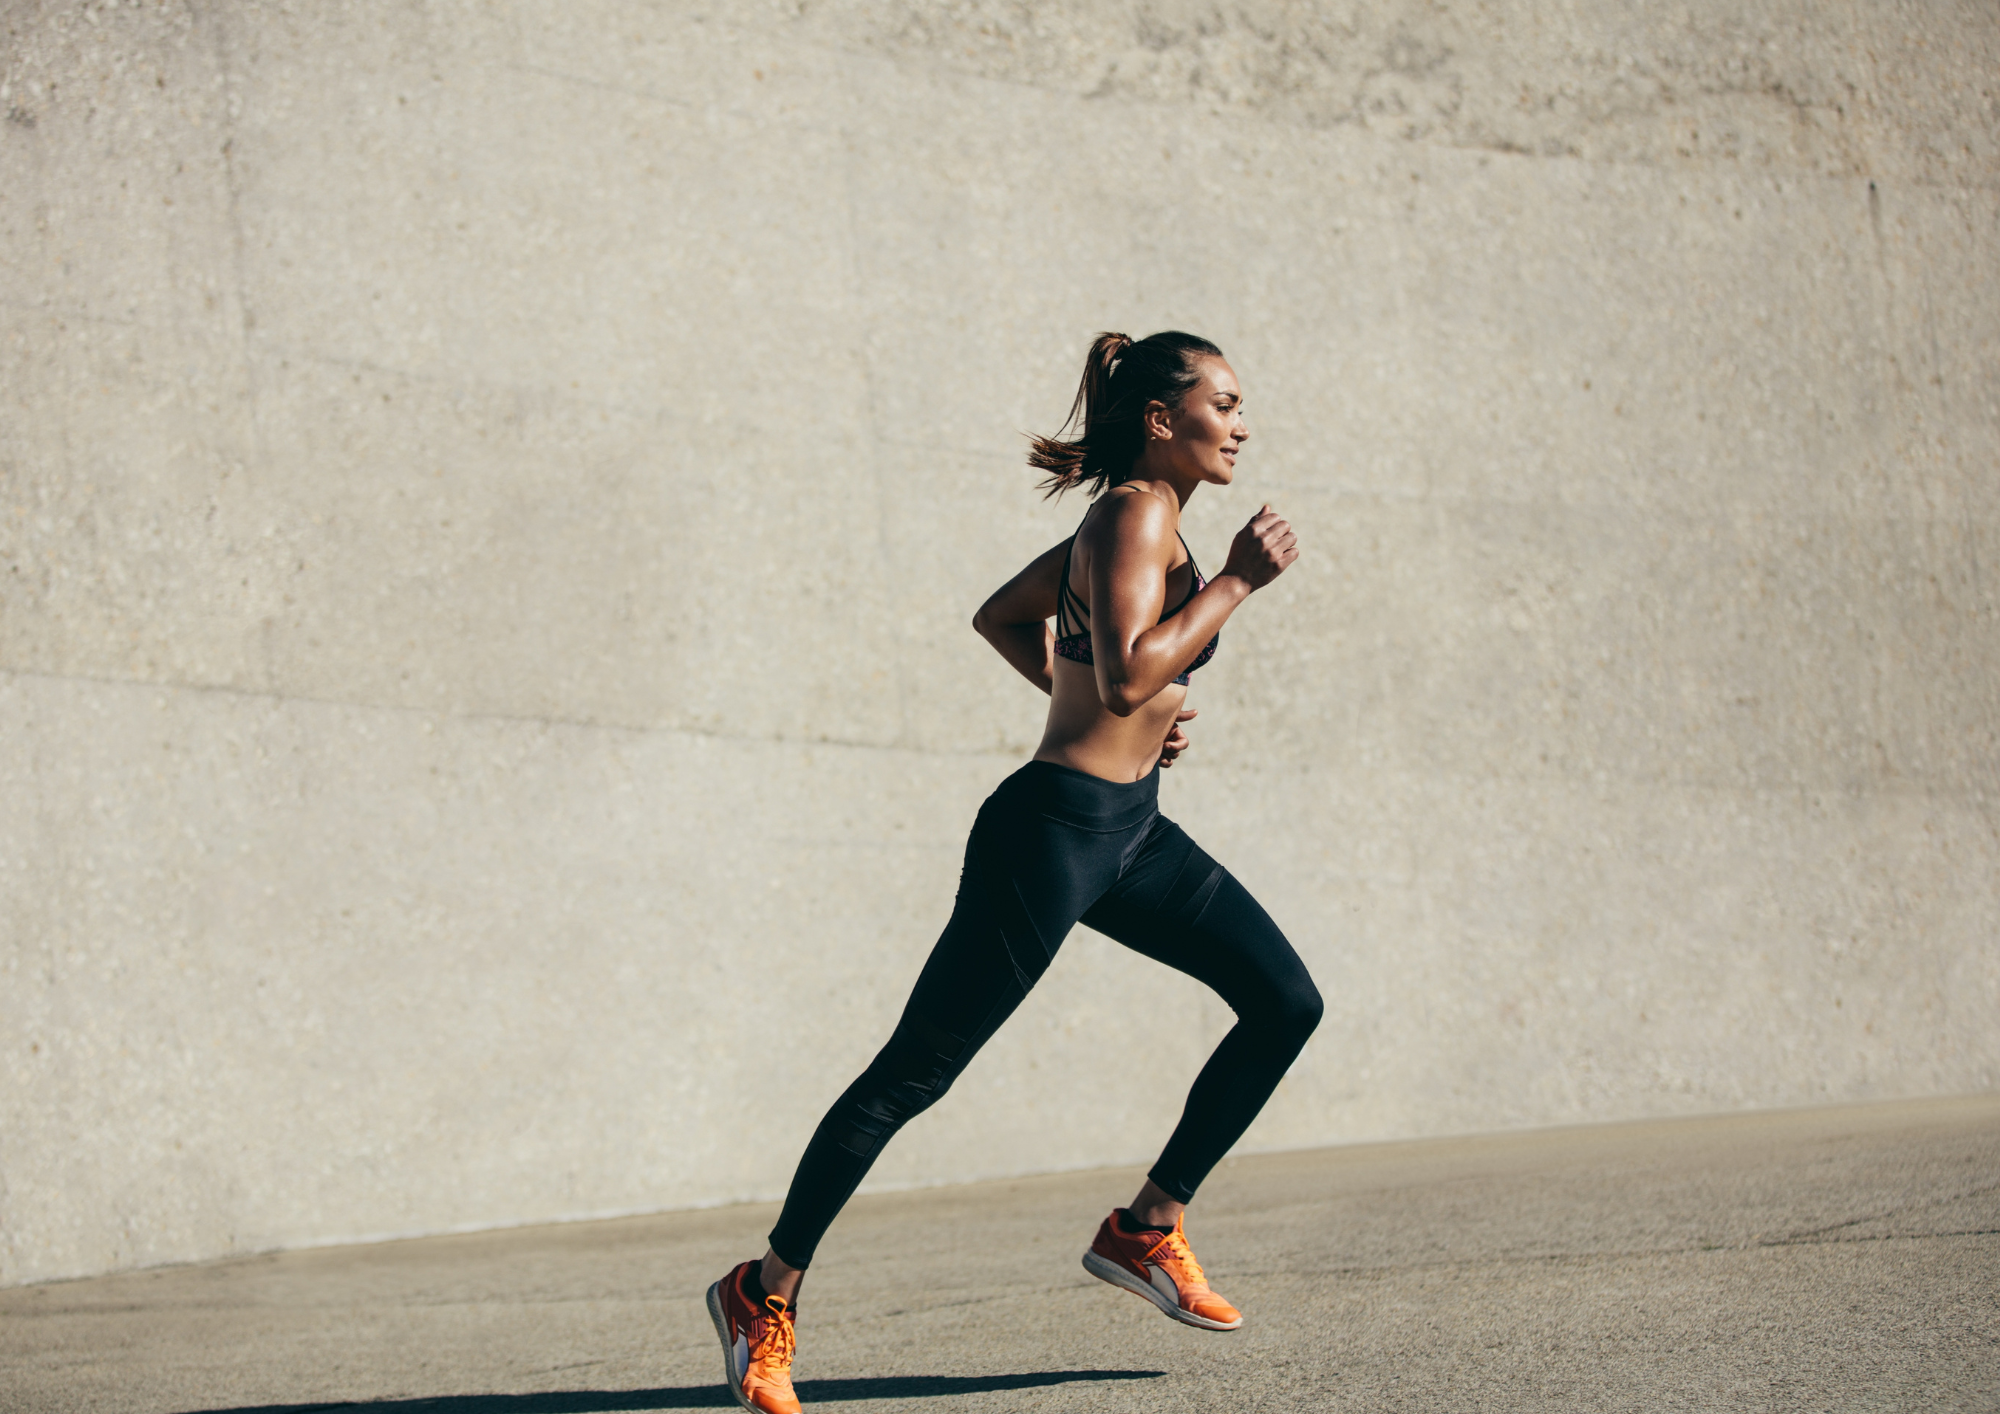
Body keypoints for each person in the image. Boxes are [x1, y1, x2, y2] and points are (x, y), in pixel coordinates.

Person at [706, 331, 1322, 1414]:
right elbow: (1131, 671)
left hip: (1130, 829)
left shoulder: (1147, 523)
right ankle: (763, 1290)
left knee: (1282, 1000)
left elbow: (1015, 622)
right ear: (1159, 419)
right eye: (1222, 403)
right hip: (1050, 835)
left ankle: (1145, 1227)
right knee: (912, 1073)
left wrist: (1096, 703)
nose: (1240, 424)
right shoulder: (1134, 514)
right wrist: (1233, 584)